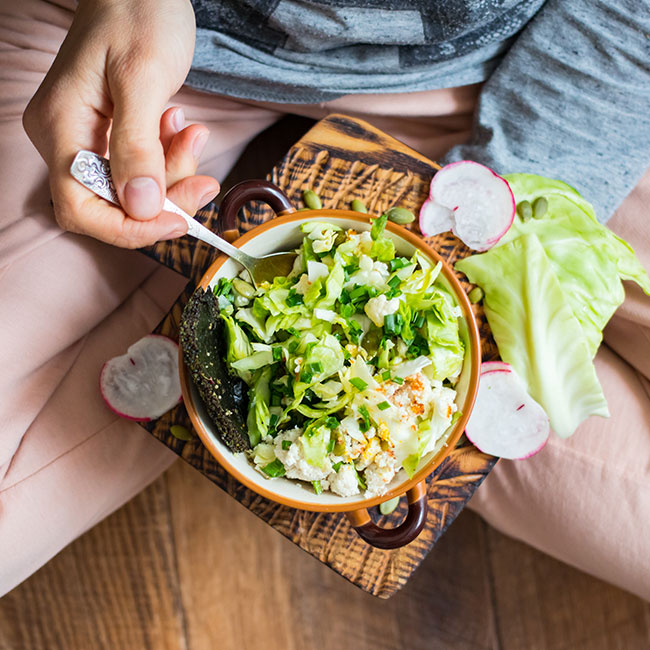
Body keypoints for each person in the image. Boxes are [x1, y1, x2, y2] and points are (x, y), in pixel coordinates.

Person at [1, 0, 648, 598]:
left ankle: (173, 296)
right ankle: (181, 301)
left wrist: (485, 209)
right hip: (158, 42)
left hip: (495, 70)